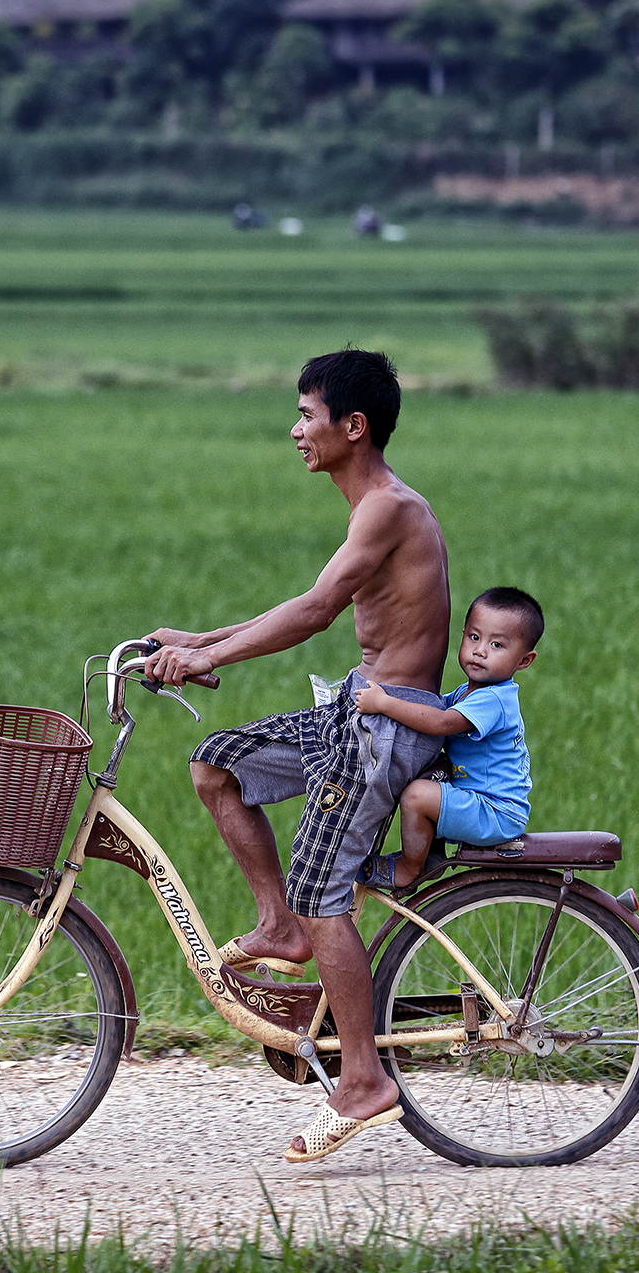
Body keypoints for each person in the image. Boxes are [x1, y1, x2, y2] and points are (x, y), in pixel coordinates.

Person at [144, 348, 450, 1164]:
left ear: (355, 427)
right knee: (219, 763)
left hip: (389, 728)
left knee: (328, 895)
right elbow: (310, 602)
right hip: (356, 712)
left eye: (308, 416)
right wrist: (198, 638)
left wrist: (213, 658)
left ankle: (362, 1081)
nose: (295, 431)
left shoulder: (388, 506)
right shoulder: (369, 509)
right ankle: (278, 924)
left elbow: (317, 611)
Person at [351, 586, 541, 891]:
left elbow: (440, 721)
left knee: (417, 796)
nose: (480, 650)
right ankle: (434, 853)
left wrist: (384, 703)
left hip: (494, 811)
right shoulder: (469, 693)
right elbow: (434, 708)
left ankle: (410, 868)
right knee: (429, 773)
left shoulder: (494, 699)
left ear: (524, 660)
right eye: (474, 638)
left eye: (497, 644)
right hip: (480, 800)